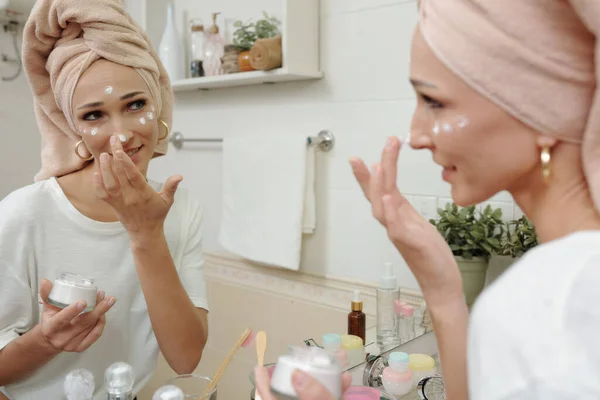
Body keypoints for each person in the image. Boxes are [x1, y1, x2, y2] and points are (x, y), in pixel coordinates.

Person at [256, 0, 600, 399]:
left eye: (434, 102)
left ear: (544, 107)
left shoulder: (546, 302)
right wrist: (444, 295)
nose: (416, 135)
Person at [0, 0, 208, 398]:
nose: (122, 135)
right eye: (94, 115)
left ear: (159, 104)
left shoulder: (180, 209)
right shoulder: (22, 214)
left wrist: (146, 233)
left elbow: (185, 360)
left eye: (135, 105)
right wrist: (46, 341)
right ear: (71, 124)